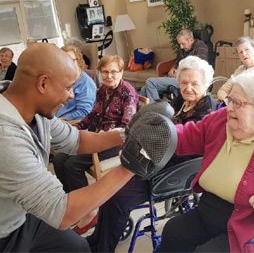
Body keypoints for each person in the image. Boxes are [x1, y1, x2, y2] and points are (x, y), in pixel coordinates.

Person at [0, 43, 156, 253]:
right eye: (67, 87)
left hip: (15, 215)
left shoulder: (31, 109)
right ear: (43, 83)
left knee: (77, 248)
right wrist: (131, 166)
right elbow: (63, 212)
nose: (71, 95)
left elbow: (77, 139)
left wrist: (126, 134)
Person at [159, 69, 254, 253]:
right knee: (173, 232)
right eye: (230, 99)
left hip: (249, 226)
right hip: (207, 210)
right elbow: (187, 135)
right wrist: (160, 134)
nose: (229, 107)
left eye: (238, 103)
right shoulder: (220, 120)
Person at [87, 56, 216, 252]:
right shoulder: (180, 101)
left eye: (194, 83)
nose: (188, 87)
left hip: (175, 169)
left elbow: (185, 144)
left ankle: (103, 248)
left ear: (205, 84)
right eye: (184, 82)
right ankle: (97, 239)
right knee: (109, 188)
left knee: (119, 198)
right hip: (155, 160)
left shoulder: (207, 111)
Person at [53, 55, 139, 235]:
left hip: (115, 143)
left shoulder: (127, 93)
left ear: (121, 72)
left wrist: (103, 137)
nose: (109, 76)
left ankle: (88, 210)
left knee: (72, 165)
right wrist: (74, 129)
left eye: (114, 72)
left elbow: (126, 129)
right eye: (105, 72)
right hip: (95, 138)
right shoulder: (102, 91)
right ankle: (72, 204)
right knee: (59, 159)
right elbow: (92, 117)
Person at [140, 29, 208, 103]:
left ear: (191, 40)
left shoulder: (201, 47)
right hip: (176, 77)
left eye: (183, 44)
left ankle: (157, 109)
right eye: (180, 44)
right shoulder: (184, 48)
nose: (181, 47)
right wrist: (173, 68)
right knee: (144, 89)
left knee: (150, 82)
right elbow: (177, 60)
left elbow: (197, 66)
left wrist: (180, 72)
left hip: (187, 81)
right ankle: (141, 111)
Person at [217, 36, 254, 103]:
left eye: (247, 50)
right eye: (240, 52)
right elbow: (223, 90)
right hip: (238, 106)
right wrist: (227, 101)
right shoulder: (240, 70)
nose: (244, 54)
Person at [56, 46, 96, 121]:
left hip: (71, 123)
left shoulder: (86, 83)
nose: (68, 63)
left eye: (71, 60)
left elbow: (84, 112)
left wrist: (61, 120)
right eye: (64, 60)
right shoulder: (65, 79)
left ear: (78, 61)